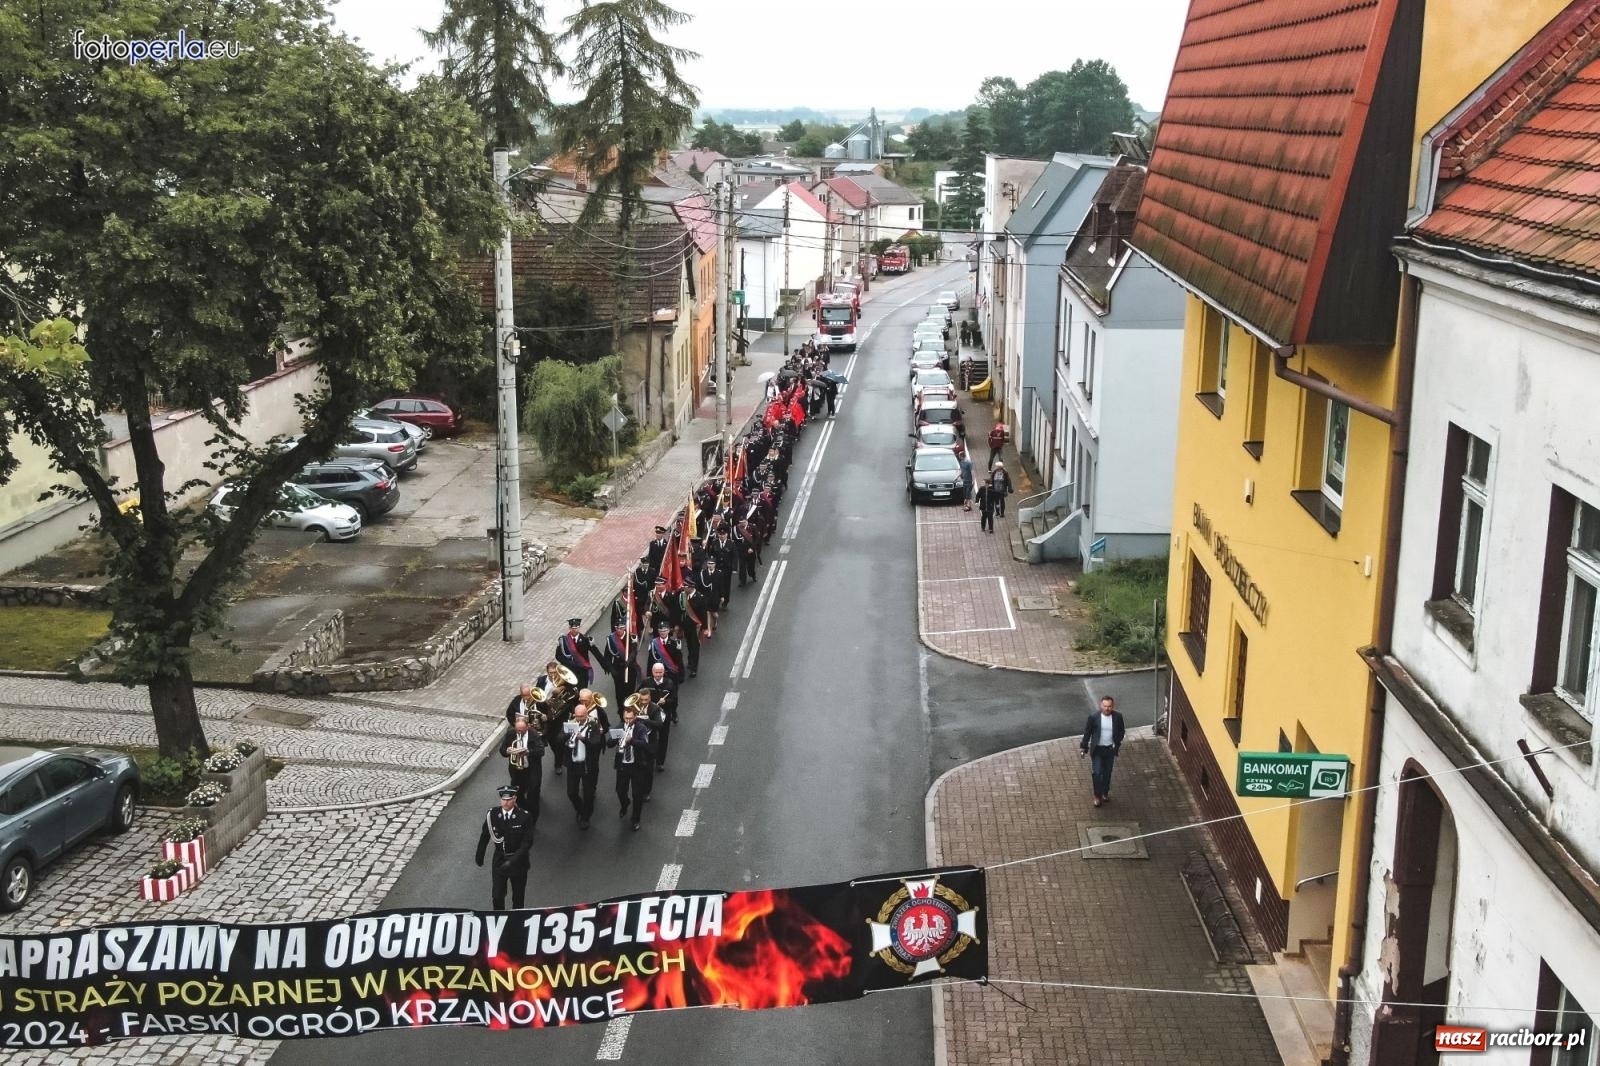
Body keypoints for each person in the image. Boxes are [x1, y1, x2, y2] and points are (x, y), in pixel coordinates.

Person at [475, 785, 533, 909]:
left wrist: (512, 861)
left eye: (509, 799)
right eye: (503, 799)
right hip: (500, 859)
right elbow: (485, 834)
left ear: (515, 799)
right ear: (500, 800)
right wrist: (480, 855)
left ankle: (516, 923)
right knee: (497, 895)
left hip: (518, 861)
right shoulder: (493, 814)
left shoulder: (524, 816)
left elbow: (527, 843)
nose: (506, 802)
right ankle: (499, 919)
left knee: (518, 897)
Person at [564, 691, 608, 829]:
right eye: (577, 716)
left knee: (588, 793)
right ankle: (581, 809)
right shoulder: (571, 723)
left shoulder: (593, 724)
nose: (579, 719)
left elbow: (595, 742)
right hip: (573, 764)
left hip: (588, 764)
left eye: (581, 716)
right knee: (571, 792)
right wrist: (567, 735)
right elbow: (559, 739)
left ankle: (585, 817)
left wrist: (582, 738)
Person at [614, 694, 656, 831]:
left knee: (637, 795)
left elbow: (644, 744)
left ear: (635, 717)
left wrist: (631, 740)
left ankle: (636, 819)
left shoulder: (641, 728)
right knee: (620, 790)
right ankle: (625, 804)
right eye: (626, 718)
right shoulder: (621, 725)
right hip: (623, 765)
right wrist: (615, 737)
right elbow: (609, 743)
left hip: (637, 766)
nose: (628, 721)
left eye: (630, 718)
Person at [1080, 696, 1127, 807]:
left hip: (1110, 749)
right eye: (1105, 706)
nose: (1107, 708)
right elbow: (1087, 733)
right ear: (1101, 706)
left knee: (1107, 773)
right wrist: (1084, 747)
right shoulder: (1093, 717)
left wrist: (1117, 742)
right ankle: (1097, 796)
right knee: (1096, 773)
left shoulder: (1118, 717)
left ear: (1112, 706)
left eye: (1109, 706)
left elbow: (1121, 731)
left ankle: (1105, 792)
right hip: (1097, 750)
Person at [500, 713, 544, 824]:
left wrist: (528, 752)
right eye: (517, 730)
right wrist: (507, 751)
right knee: (517, 795)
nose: (519, 733)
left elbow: (541, 751)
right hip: (517, 770)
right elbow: (502, 749)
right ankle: (526, 811)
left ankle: (533, 819)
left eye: (522, 730)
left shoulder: (534, 735)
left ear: (527, 726)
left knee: (533, 797)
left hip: (531, 770)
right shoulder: (511, 733)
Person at [640, 661, 679, 773]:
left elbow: (674, 700)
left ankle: (660, 762)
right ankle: (648, 757)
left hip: (664, 714)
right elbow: (637, 695)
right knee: (647, 736)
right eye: (656, 672)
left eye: (660, 672)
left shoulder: (669, 683)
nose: (658, 675)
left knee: (663, 738)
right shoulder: (646, 682)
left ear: (664, 672)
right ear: (652, 672)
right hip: (649, 713)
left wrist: (666, 701)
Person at [598, 621, 642, 708]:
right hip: (618, 669)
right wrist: (612, 670)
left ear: (625, 627)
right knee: (619, 693)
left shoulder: (631, 637)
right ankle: (621, 712)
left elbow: (634, 651)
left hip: (630, 668)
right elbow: (607, 657)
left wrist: (628, 661)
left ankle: (631, 710)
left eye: (621, 628)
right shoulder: (611, 639)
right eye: (617, 628)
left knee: (630, 692)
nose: (619, 630)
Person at [555, 618, 597, 687]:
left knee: (582, 691)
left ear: (579, 628)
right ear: (569, 628)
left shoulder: (585, 639)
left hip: (582, 670)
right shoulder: (563, 640)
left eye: (576, 628)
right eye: (572, 628)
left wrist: (606, 665)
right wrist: (570, 664)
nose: (574, 630)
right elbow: (558, 656)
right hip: (569, 671)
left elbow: (596, 653)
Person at [647, 620, 686, 684]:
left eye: (664, 631)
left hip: (672, 673)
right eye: (660, 631)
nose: (662, 633)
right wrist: (648, 675)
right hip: (658, 674)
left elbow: (679, 660)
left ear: (668, 631)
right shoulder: (654, 643)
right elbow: (650, 661)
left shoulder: (675, 643)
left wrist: (681, 675)